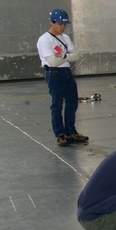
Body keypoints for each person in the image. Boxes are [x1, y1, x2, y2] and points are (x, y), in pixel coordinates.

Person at [37, 8, 88, 147]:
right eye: (60, 24)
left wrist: (63, 56)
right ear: (52, 23)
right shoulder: (45, 40)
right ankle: (60, 134)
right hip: (54, 74)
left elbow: (76, 56)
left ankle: (71, 132)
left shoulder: (65, 38)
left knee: (72, 102)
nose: (63, 27)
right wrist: (66, 57)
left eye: (65, 25)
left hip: (66, 72)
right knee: (57, 104)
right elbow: (52, 62)